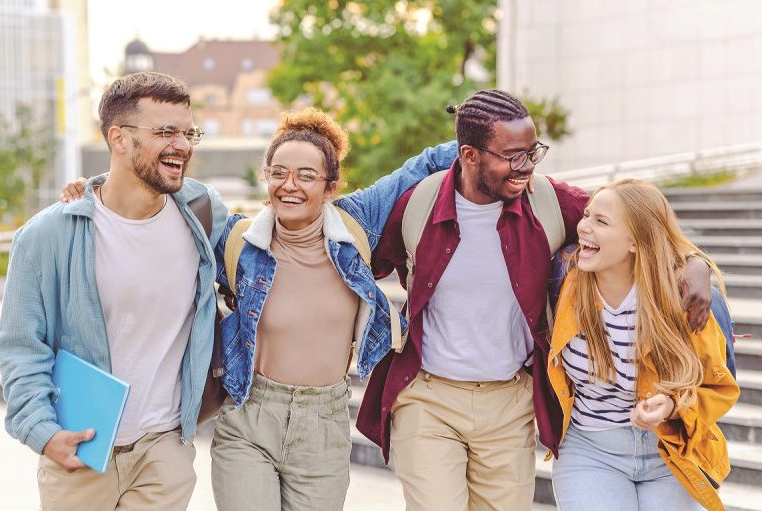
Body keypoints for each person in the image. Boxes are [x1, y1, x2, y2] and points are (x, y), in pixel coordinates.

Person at [356, 89, 713, 510]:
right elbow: (359, 258)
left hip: (509, 401)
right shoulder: (418, 204)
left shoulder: (548, 201)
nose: (526, 166)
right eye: (512, 156)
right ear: (469, 155)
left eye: (532, 152)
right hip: (429, 396)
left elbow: (636, 221)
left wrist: (693, 262)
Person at [0, 72, 227, 511]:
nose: (182, 144)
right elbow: (22, 347)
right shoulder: (48, 236)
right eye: (165, 132)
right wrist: (43, 433)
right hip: (81, 453)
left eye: (187, 132)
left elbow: (268, 249)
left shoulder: (202, 211)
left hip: (164, 452)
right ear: (118, 138)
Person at [209, 108, 456, 511]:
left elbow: (427, 164)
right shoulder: (238, 239)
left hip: (323, 423)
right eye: (278, 173)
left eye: (306, 176)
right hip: (249, 421)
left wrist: (488, 134)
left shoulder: (356, 222)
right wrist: (94, 189)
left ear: (331, 186)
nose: (289, 186)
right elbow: (171, 200)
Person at [547, 179, 740, 511]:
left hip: (668, 450)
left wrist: (672, 405)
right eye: (587, 215)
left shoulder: (688, 299)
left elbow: (717, 387)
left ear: (635, 241)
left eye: (601, 221)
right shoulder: (563, 280)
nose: (583, 227)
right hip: (591, 449)